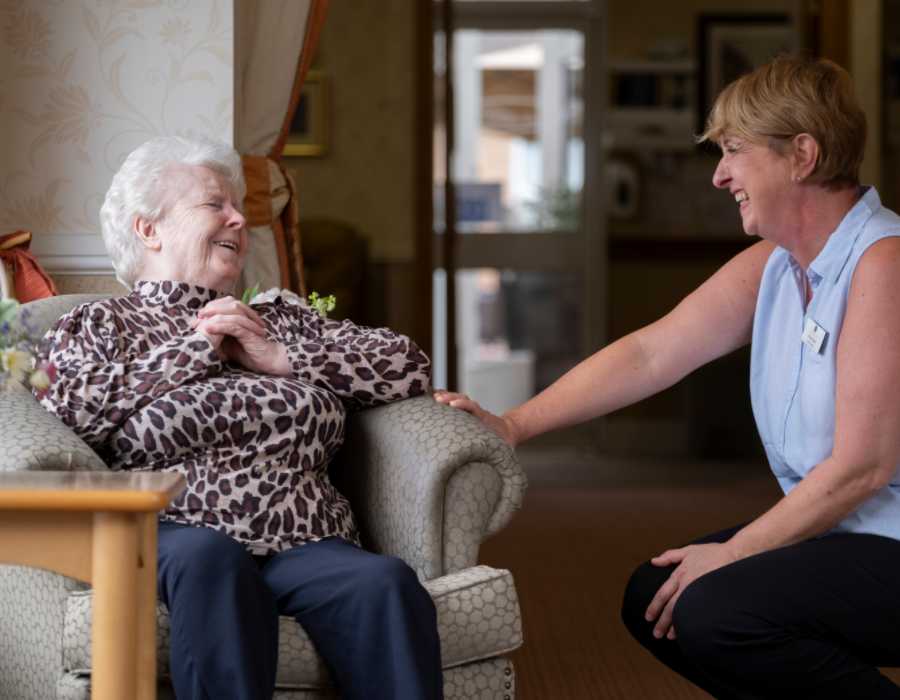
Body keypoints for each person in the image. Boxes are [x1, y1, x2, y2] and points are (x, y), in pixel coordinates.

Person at [435, 54, 900, 698]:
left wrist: (735, 553)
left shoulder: (883, 262)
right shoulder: (777, 263)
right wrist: (512, 424)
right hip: (840, 531)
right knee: (655, 599)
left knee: (715, 610)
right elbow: (651, 353)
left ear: (802, 154)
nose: (719, 175)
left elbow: (862, 470)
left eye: (734, 150)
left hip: (889, 539)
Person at [37, 136, 443, 700]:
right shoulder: (103, 323)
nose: (238, 220)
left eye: (239, 209)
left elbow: (408, 366)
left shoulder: (282, 319)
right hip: (174, 533)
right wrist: (196, 347)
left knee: (383, 583)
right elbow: (71, 410)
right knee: (214, 560)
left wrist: (281, 357)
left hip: (303, 538)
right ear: (148, 229)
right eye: (214, 205)